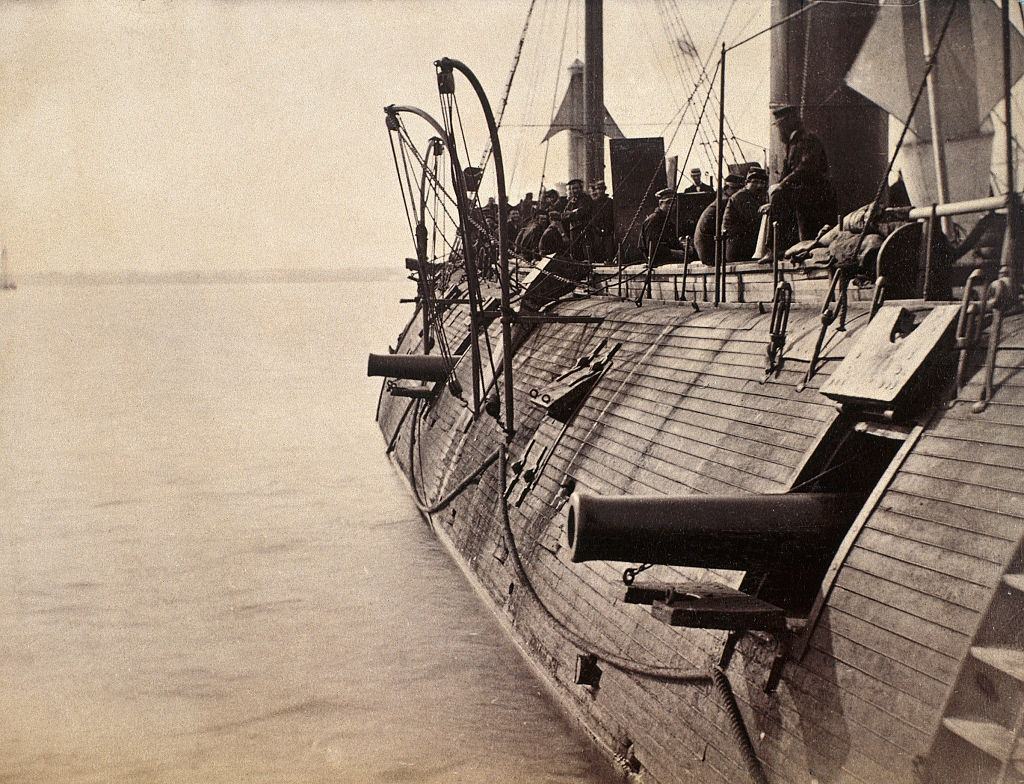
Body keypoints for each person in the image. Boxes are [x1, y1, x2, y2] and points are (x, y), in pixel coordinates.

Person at [766, 105, 837, 250]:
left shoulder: (808, 140)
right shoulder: (792, 144)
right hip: (804, 191)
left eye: (780, 125)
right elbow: (787, 170)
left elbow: (806, 167)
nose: (779, 130)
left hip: (816, 191)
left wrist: (782, 186)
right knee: (778, 197)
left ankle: (776, 248)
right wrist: (775, 193)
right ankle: (778, 247)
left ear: (789, 122)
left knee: (781, 197)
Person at [693, 174, 744, 263]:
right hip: (710, 251)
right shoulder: (725, 202)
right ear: (726, 188)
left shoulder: (721, 201)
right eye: (735, 189)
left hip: (706, 247)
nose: (738, 193)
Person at [723, 168, 769, 261]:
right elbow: (754, 220)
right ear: (746, 183)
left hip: (745, 246)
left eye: (762, 182)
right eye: (755, 182)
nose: (759, 185)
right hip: (738, 250)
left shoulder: (754, 197)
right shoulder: (741, 196)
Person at [640, 188, 687, 265]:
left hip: (668, 261)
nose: (671, 206)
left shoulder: (668, 221)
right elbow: (652, 247)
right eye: (668, 202)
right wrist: (674, 252)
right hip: (657, 263)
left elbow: (673, 243)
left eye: (674, 203)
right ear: (660, 204)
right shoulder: (653, 220)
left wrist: (684, 248)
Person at [561, 178, 593, 263]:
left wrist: (571, 213)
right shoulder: (571, 201)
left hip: (583, 227)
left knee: (586, 249)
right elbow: (564, 215)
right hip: (574, 229)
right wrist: (574, 212)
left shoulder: (586, 198)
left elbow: (582, 212)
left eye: (576, 188)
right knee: (575, 250)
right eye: (572, 188)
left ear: (581, 188)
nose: (574, 190)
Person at [588, 180, 615, 264]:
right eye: (598, 189)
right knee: (598, 246)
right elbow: (592, 217)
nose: (600, 191)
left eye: (602, 189)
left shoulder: (610, 202)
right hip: (597, 229)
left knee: (608, 246)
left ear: (605, 190)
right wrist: (597, 228)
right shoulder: (594, 203)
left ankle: (608, 260)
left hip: (608, 227)